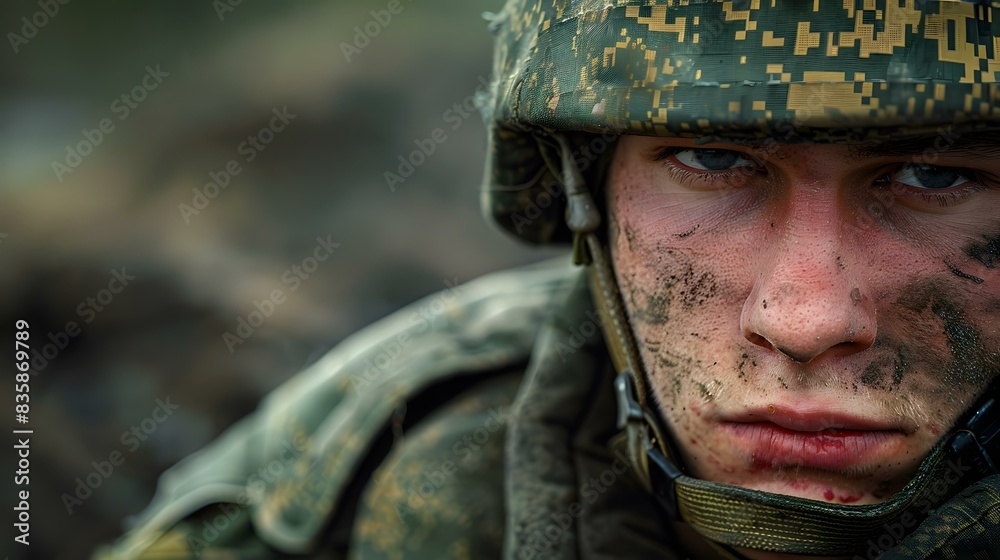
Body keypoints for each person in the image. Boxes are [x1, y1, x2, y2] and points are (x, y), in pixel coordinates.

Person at [95, 0, 1000, 558]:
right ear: (584, 197)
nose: (804, 321)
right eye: (712, 160)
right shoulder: (384, 451)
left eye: (932, 177)